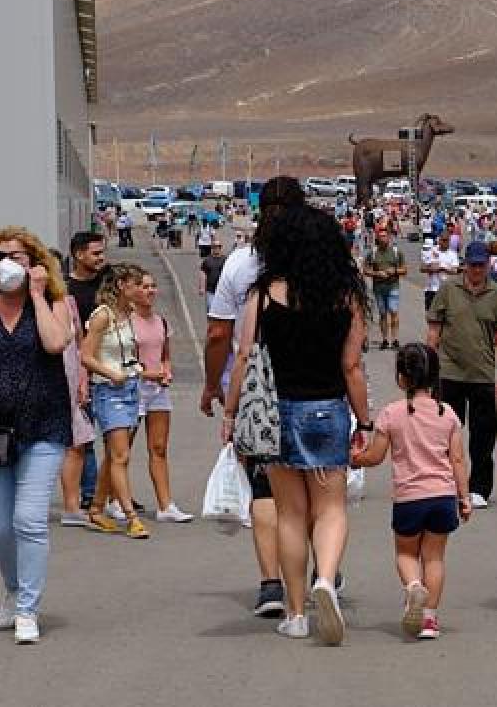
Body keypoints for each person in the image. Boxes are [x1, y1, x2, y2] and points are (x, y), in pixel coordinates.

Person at [221, 205, 370, 645]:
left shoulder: (264, 294)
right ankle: (326, 578)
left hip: (276, 415)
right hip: (328, 411)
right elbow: (352, 366)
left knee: (289, 513)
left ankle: (297, 611)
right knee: (331, 509)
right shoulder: (347, 296)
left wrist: (231, 414)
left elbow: (245, 357)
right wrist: (365, 420)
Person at [0, 227, 72, 644]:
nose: (8, 263)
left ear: (35, 263)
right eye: (0, 256)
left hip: (44, 427)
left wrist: (38, 294)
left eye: (18, 256)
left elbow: (57, 344)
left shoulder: (56, 304)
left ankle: (27, 609)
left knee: (29, 520)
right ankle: (14, 587)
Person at [201, 176, 306, 618]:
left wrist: (214, 385)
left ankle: (271, 584)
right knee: (316, 484)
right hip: (315, 383)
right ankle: (319, 570)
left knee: (265, 486)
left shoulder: (242, 263)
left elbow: (220, 332)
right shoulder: (321, 258)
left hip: (258, 389)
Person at [350, 343, 471, 641]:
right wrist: (464, 496)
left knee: (406, 553)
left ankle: (414, 587)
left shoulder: (392, 414)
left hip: (409, 498)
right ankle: (429, 618)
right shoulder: (448, 414)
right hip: (442, 496)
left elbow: (375, 456)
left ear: (401, 378)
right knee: (435, 558)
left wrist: (355, 457)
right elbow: (457, 459)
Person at [427, 241, 497, 510]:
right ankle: (446, 483)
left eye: (481, 265)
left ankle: (479, 488)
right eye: (472, 265)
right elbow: (434, 330)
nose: (476, 270)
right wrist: (428, 370)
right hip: (449, 371)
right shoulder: (449, 289)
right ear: (465, 264)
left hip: (482, 374)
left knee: (483, 436)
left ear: (488, 265)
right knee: (446, 432)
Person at [79, 263, 151, 539]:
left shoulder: (129, 314)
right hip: (109, 390)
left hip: (131, 386)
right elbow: (85, 355)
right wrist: (110, 372)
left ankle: (97, 508)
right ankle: (129, 515)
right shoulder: (102, 316)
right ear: (122, 286)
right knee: (121, 456)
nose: (142, 290)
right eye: (136, 284)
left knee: (114, 455)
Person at [130, 271, 192, 523]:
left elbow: (165, 353)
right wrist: (148, 373)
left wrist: (166, 370)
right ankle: (111, 499)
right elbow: (125, 359)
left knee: (158, 447)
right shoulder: (126, 322)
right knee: (122, 449)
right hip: (134, 388)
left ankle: (165, 505)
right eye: (144, 286)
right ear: (133, 290)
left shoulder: (161, 322)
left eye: (153, 286)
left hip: (158, 391)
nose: (150, 291)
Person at [64, 232, 106, 514]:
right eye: (95, 253)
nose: (101, 258)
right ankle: (91, 492)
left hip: (114, 368)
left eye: (102, 253)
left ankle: (111, 490)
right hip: (83, 370)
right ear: (79, 255)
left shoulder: (109, 284)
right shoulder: (66, 291)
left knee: (119, 437)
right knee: (85, 436)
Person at [363, 225, 406, 350]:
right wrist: (376, 273)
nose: (383, 238)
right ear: (377, 237)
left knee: (393, 311)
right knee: (382, 314)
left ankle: (395, 339)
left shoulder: (397, 252)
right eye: (380, 236)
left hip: (393, 286)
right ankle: (385, 339)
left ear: (389, 237)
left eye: (385, 236)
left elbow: (404, 269)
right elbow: (365, 269)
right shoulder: (373, 253)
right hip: (378, 287)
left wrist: (395, 271)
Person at [420, 233, 459, 313]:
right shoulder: (431, 251)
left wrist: (443, 268)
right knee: (431, 316)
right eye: (443, 240)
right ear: (439, 240)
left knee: (446, 317)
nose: (446, 243)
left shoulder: (453, 254)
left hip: (447, 290)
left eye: (447, 241)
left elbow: (455, 270)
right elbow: (422, 268)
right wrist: (431, 269)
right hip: (432, 290)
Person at [198, 240, 226, 313]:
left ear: (221, 248)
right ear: (212, 248)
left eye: (218, 247)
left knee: (220, 310)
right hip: (210, 291)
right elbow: (203, 274)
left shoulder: (225, 260)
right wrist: (202, 287)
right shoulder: (207, 260)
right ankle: (210, 323)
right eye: (214, 247)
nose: (216, 248)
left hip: (222, 290)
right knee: (210, 309)